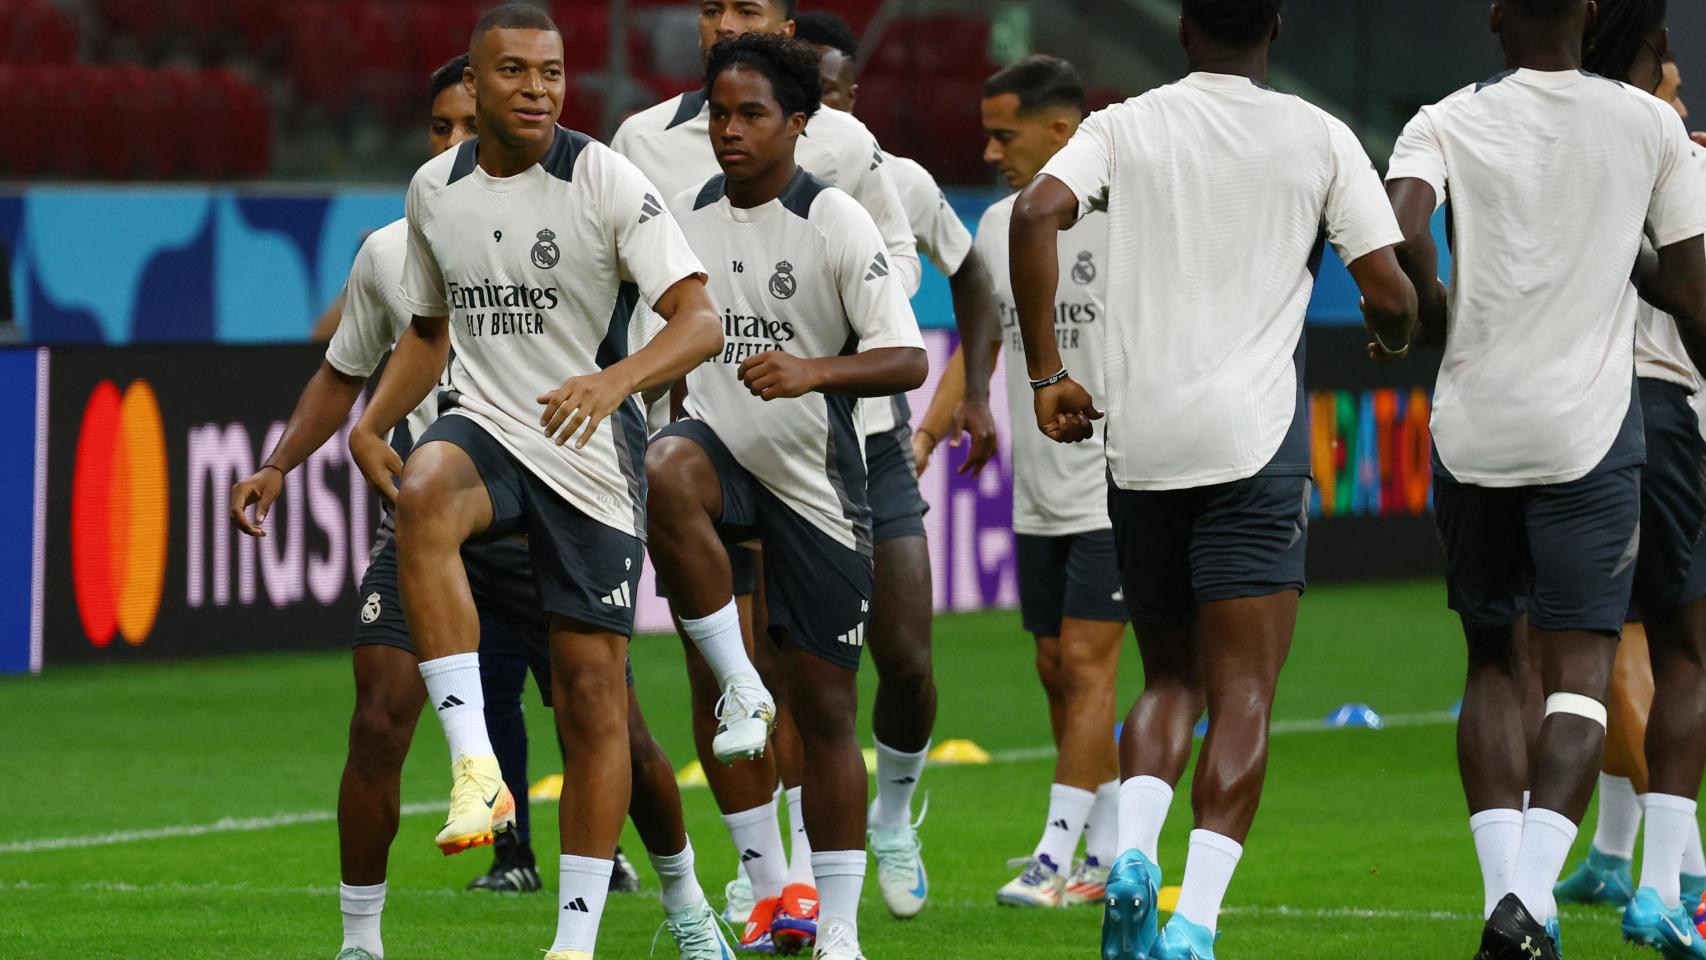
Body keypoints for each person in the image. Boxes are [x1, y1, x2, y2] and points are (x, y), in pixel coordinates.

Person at [1010, 1, 1418, 957]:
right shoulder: (1319, 135)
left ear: (1186, 29)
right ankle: (1193, 921)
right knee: (1244, 692)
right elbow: (1391, 290)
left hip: (1140, 446)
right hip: (1250, 443)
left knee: (1169, 679)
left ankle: (1136, 856)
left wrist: (1045, 374)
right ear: (1275, 29)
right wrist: (1392, 335)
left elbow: (1034, 212)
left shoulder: (1124, 124)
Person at [344, 7, 726, 959]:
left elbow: (699, 321)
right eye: (512, 71)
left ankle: (579, 940)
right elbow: (429, 332)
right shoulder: (435, 190)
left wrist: (613, 382)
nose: (537, 88)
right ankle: (477, 766)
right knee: (427, 488)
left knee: (600, 706)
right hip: (491, 430)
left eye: (552, 71)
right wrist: (369, 420)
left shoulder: (604, 176)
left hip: (591, 457)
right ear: (474, 83)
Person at [1384, 0, 1706, 955]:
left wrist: (1432, 311)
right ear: (1590, 13)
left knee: (1492, 663)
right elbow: (1687, 288)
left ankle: (1505, 903)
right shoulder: (1648, 123)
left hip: (1472, 426)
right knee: (1581, 675)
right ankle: (1529, 904)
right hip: (1587, 435)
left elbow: (1399, 233)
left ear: (1493, 16)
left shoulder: (1441, 118)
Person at [610, 1, 927, 943]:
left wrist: (813, 370)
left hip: (817, 489)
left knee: (829, 712)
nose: (729, 132)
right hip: (722, 459)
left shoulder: (835, 221)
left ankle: (836, 929)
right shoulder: (685, 220)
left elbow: (905, 356)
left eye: (750, 115)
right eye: (718, 114)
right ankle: (737, 687)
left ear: (798, 124)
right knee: (666, 466)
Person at [792, 8, 1003, 919]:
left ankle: (892, 813)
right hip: (772, 454)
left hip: (873, 447)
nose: (823, 112)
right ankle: (789, 865)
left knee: (908, 661)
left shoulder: (894, 179)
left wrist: (977, 395)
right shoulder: (725, 182)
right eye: (807, 92)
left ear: (851, 96)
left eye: (835, 91)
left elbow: (973, 276)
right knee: (791, 677)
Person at [908, 53, 1126, 909]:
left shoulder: (1127, 217)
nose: (991, 150)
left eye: (1005, 133)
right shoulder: (1001, 224)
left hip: (1117, 481)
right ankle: (1103, 856)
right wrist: (936, 428)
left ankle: (1051, 854)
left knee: (1084, 660)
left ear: (1062, 131)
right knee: (1051, 665)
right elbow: (986, 335)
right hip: (1041, 491)